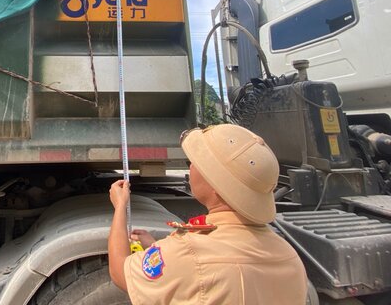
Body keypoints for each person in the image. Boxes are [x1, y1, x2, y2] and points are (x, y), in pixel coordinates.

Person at [108, 123, 308, 304]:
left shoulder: (190, 252)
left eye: (195, 162)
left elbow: (120, 273)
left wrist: (120, 207)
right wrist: (155, 248)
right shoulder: (288, 255)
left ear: (216, 185)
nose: (191, 167)